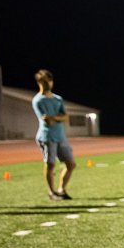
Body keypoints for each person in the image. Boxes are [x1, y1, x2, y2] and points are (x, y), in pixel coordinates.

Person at [33, 69, 76, 201]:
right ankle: (51, 192)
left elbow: (66, 117)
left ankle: (61, 189)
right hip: (47, 137)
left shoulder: (58, 99)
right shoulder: (38, 100)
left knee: (71, 164)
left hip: (60, 136)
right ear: (39, 82)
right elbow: (47, 121)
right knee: (50, 165)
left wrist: (55, 118)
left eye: (49, 81)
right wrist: (58, 118)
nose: (48, 84)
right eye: (44, 81)